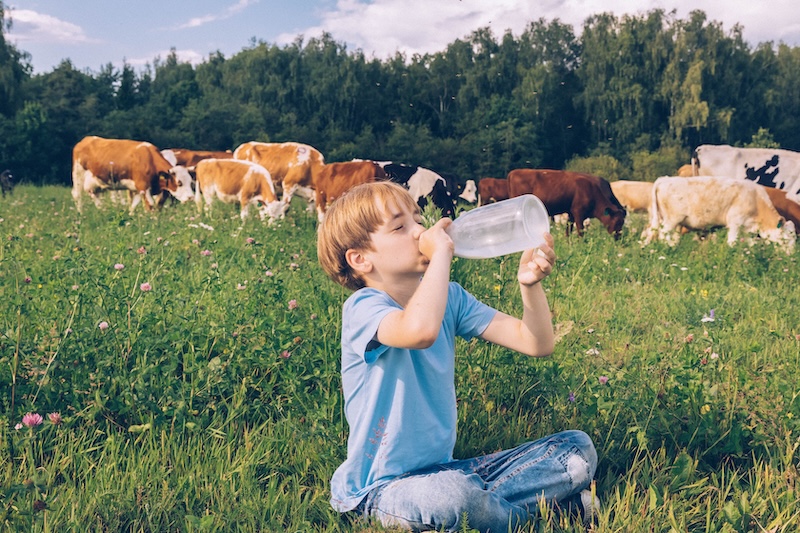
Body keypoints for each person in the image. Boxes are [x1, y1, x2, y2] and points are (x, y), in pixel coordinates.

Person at [317, 181, 598, 532]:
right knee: (451, 498)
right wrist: (441, 256)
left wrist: (529, 284)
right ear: (361, 259)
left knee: (575, 451)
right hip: (378, 490)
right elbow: (419, 331)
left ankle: (490, 507)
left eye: (418, 218)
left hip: (446, 471)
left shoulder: (449, 297)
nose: (421, 231)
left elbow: (536, 343)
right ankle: (548, 519)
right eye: (401, 227)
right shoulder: (363, 309)